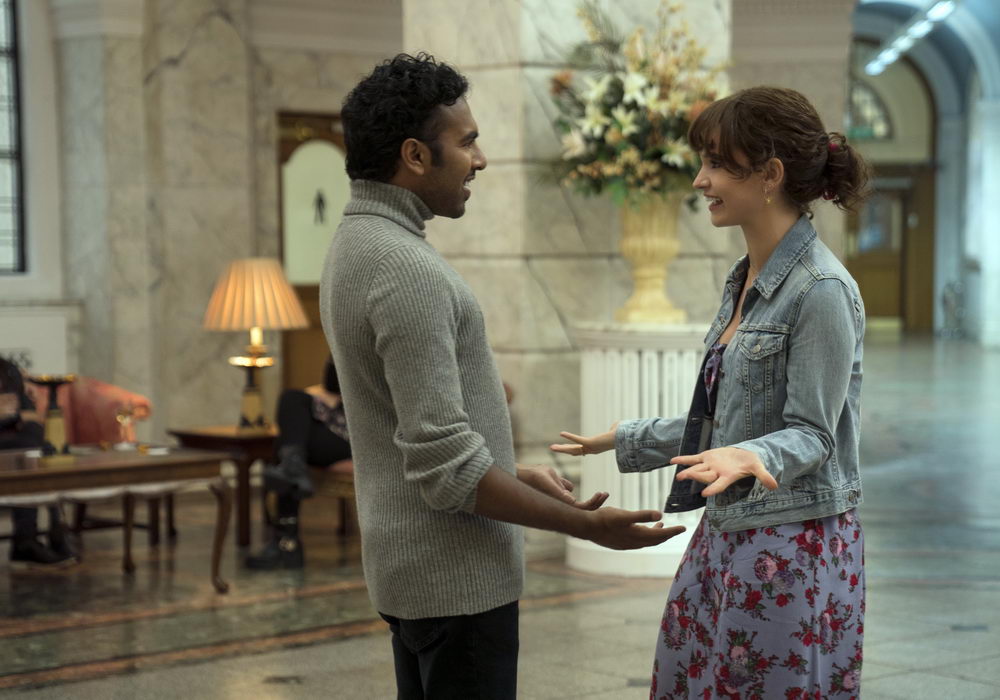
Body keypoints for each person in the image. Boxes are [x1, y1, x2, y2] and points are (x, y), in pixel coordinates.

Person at [320, 52, 685, 700]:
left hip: (416, 578)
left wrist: (513, 473)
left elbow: (417, 436)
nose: (481, 160)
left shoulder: (355, 244)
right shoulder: (406, 270)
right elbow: (448, 469)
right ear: (414, 155)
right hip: (456, 584)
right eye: (468, 142)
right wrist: (585, 527)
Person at [552, 86, 871, 699]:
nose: (699, 180)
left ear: (771, 175)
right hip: (729, 529)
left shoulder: (822, 289)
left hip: (791, 541)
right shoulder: (745, 278)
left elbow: (813, 434)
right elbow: (724, 420)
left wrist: (753, 457)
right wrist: (623, 439)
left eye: (717, 163)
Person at [245, 356, 351, 570]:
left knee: (288, 447)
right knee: (293, 397)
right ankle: (293, 468)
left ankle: (286, 542)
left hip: (361, 435)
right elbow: (332, 382)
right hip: (336, 421)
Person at [0, 358, 77, 568]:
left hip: (15, 438)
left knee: (38, 442)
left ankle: (54, 530)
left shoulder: (7, 369)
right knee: (26, 447)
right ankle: (27, 540)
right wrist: (11, 415)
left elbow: (27, 412)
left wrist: (16, 415)